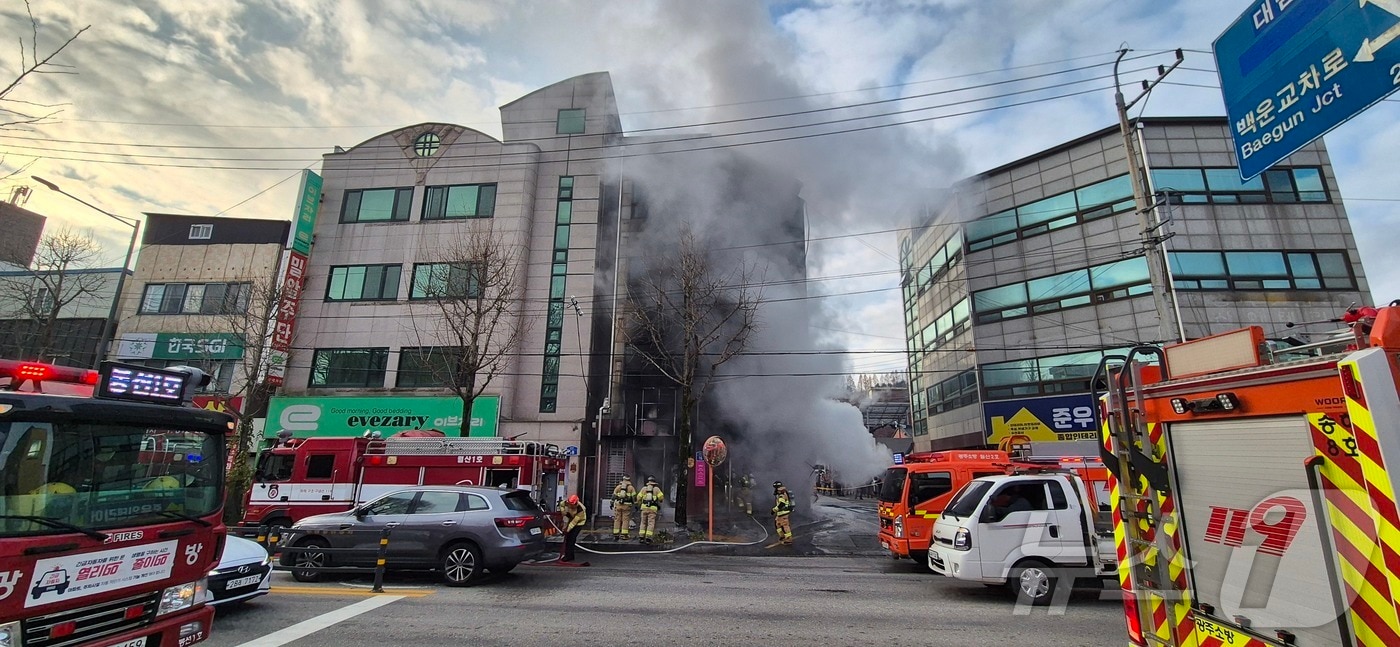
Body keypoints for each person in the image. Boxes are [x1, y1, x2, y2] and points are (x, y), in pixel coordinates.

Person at [560, 494, 587, 562]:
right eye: (570, 504)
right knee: (568, 539)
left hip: (579, 523)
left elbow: (574, 522)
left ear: (576, 503)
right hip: (571, 517)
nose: (571, 506)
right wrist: (563, 511)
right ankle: (570, 555)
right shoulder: (567, 502)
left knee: (571, 539)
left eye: (572, 505)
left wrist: (567, 530)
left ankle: (568, 556)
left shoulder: (581, 509)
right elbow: (561, 504)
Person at [637, 476, 664, 544]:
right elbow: (661, 498)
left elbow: (638, 498)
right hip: (652, 509)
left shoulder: (643, 489)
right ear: (654, 482)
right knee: (651, 523)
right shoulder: (656, 489)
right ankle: (648, 538)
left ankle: (641, 537)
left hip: (644, 508)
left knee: (643, 522)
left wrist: (639, 504)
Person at [611, 476, 637, 541]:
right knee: (625, 520)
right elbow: (634, 498)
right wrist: (636, 505)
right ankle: (624, 535)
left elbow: (613, 496)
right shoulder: (631, 488)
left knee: (617, 519)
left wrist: (611, 503)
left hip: (618, 505)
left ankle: (616, 534)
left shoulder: (618, 487)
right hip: (627, 506)